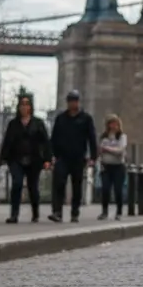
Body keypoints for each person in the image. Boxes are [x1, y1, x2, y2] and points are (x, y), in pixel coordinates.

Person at [0, 93, 51, 223]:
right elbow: (7, 141)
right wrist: (2, 158)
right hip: (16, 159)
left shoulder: (38, 123)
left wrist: (47, 159)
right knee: (17, 184)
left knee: (33, 186)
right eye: (22, 104)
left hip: (34, 159)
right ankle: (14, 214)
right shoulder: (13, 124)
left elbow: (46, 142)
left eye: (27, 104)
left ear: (31, 107)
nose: (24, 107)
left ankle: (35, 213)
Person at [49, 89, 97, 223]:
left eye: (75, 101)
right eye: (70, 101)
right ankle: (57, 211)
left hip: (78, 157)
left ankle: (75, 212)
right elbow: (54, 138)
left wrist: (93, 157)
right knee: (59, 184)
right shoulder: (61, 118)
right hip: (62, 157)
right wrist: (51, 155)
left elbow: (92, 138)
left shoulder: (86, 119)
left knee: (77, 186)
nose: (72, 104)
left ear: (78, 102)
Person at [97, 114, 128, 220]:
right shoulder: (104, 137)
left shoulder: (122, 136)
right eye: (111, 124)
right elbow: (100, 150)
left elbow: (120, 150)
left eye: (116, 124)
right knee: (105, 189)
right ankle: (104, 211)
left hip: (118, 166)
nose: (114, 126)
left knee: (118, 189)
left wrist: (107, 149)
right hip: (106, 166)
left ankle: (119, 212)